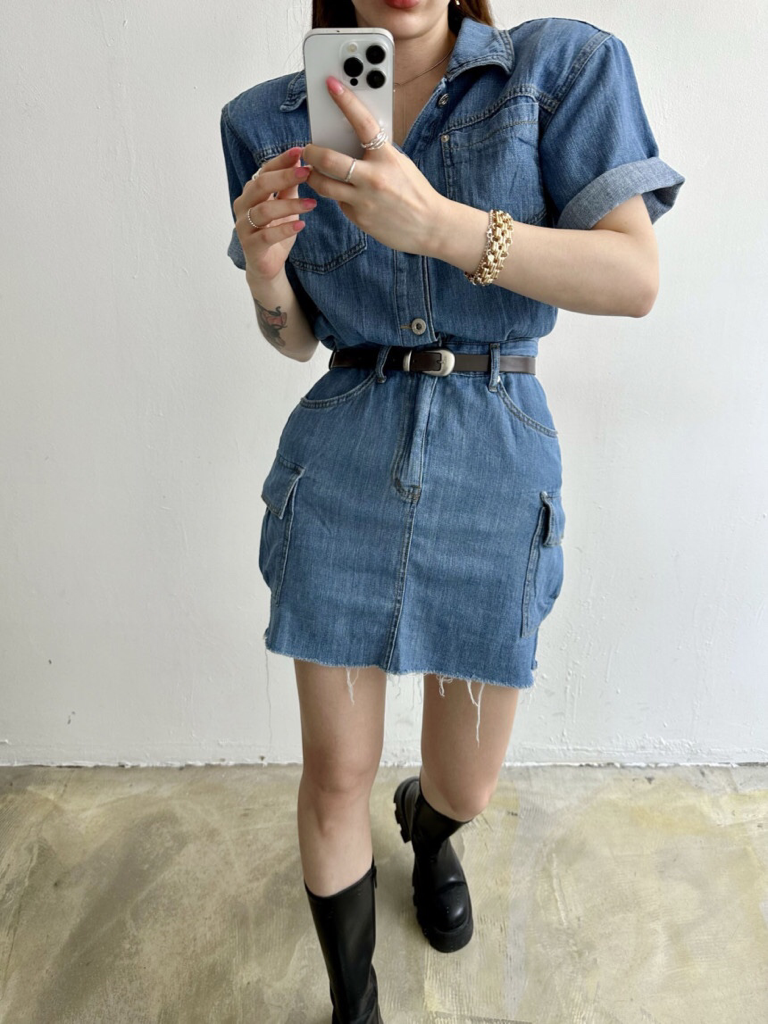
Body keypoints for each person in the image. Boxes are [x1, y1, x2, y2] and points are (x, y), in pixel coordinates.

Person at [220, 1, 685, 1020]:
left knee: (465, 783)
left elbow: (634, 275)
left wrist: (437, 226)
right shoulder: (264, 122)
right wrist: (265, 275)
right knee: (333, 773)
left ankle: (429, 833)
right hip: (343, 451)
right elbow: (296, 338)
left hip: (496, 447)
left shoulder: (557, 72)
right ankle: (354, 1005)